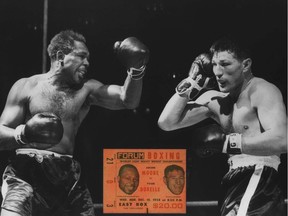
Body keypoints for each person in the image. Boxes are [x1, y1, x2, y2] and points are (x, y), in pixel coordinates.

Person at [0, 30, 149, 216]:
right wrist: (24, 134)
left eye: (88, 58)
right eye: (81, 56)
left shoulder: (87, 89)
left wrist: (136, 70)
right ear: (61, 56)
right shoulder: (26, 86)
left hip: (66, 176)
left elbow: (127, 100)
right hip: (26, 172)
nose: (87, 63)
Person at [158, 36, 287, 215]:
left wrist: (228, 143)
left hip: (259, 177)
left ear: (246, 65)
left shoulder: (261, 90)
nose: (217, 72)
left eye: (225, 64)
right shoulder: (217, 100)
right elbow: (167, 122)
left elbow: (283, 139)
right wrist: (191, 81)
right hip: (233, 180)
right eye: (214, 65)